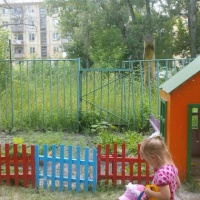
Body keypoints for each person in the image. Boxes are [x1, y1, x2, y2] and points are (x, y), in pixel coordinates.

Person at [140, 132, 181, 200]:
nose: (148, 163)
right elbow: (178, 185)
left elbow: (165, 197)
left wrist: (150, 193)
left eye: (147, 160)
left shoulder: (161, 173)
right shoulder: (171, 166)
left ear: (153, 157)